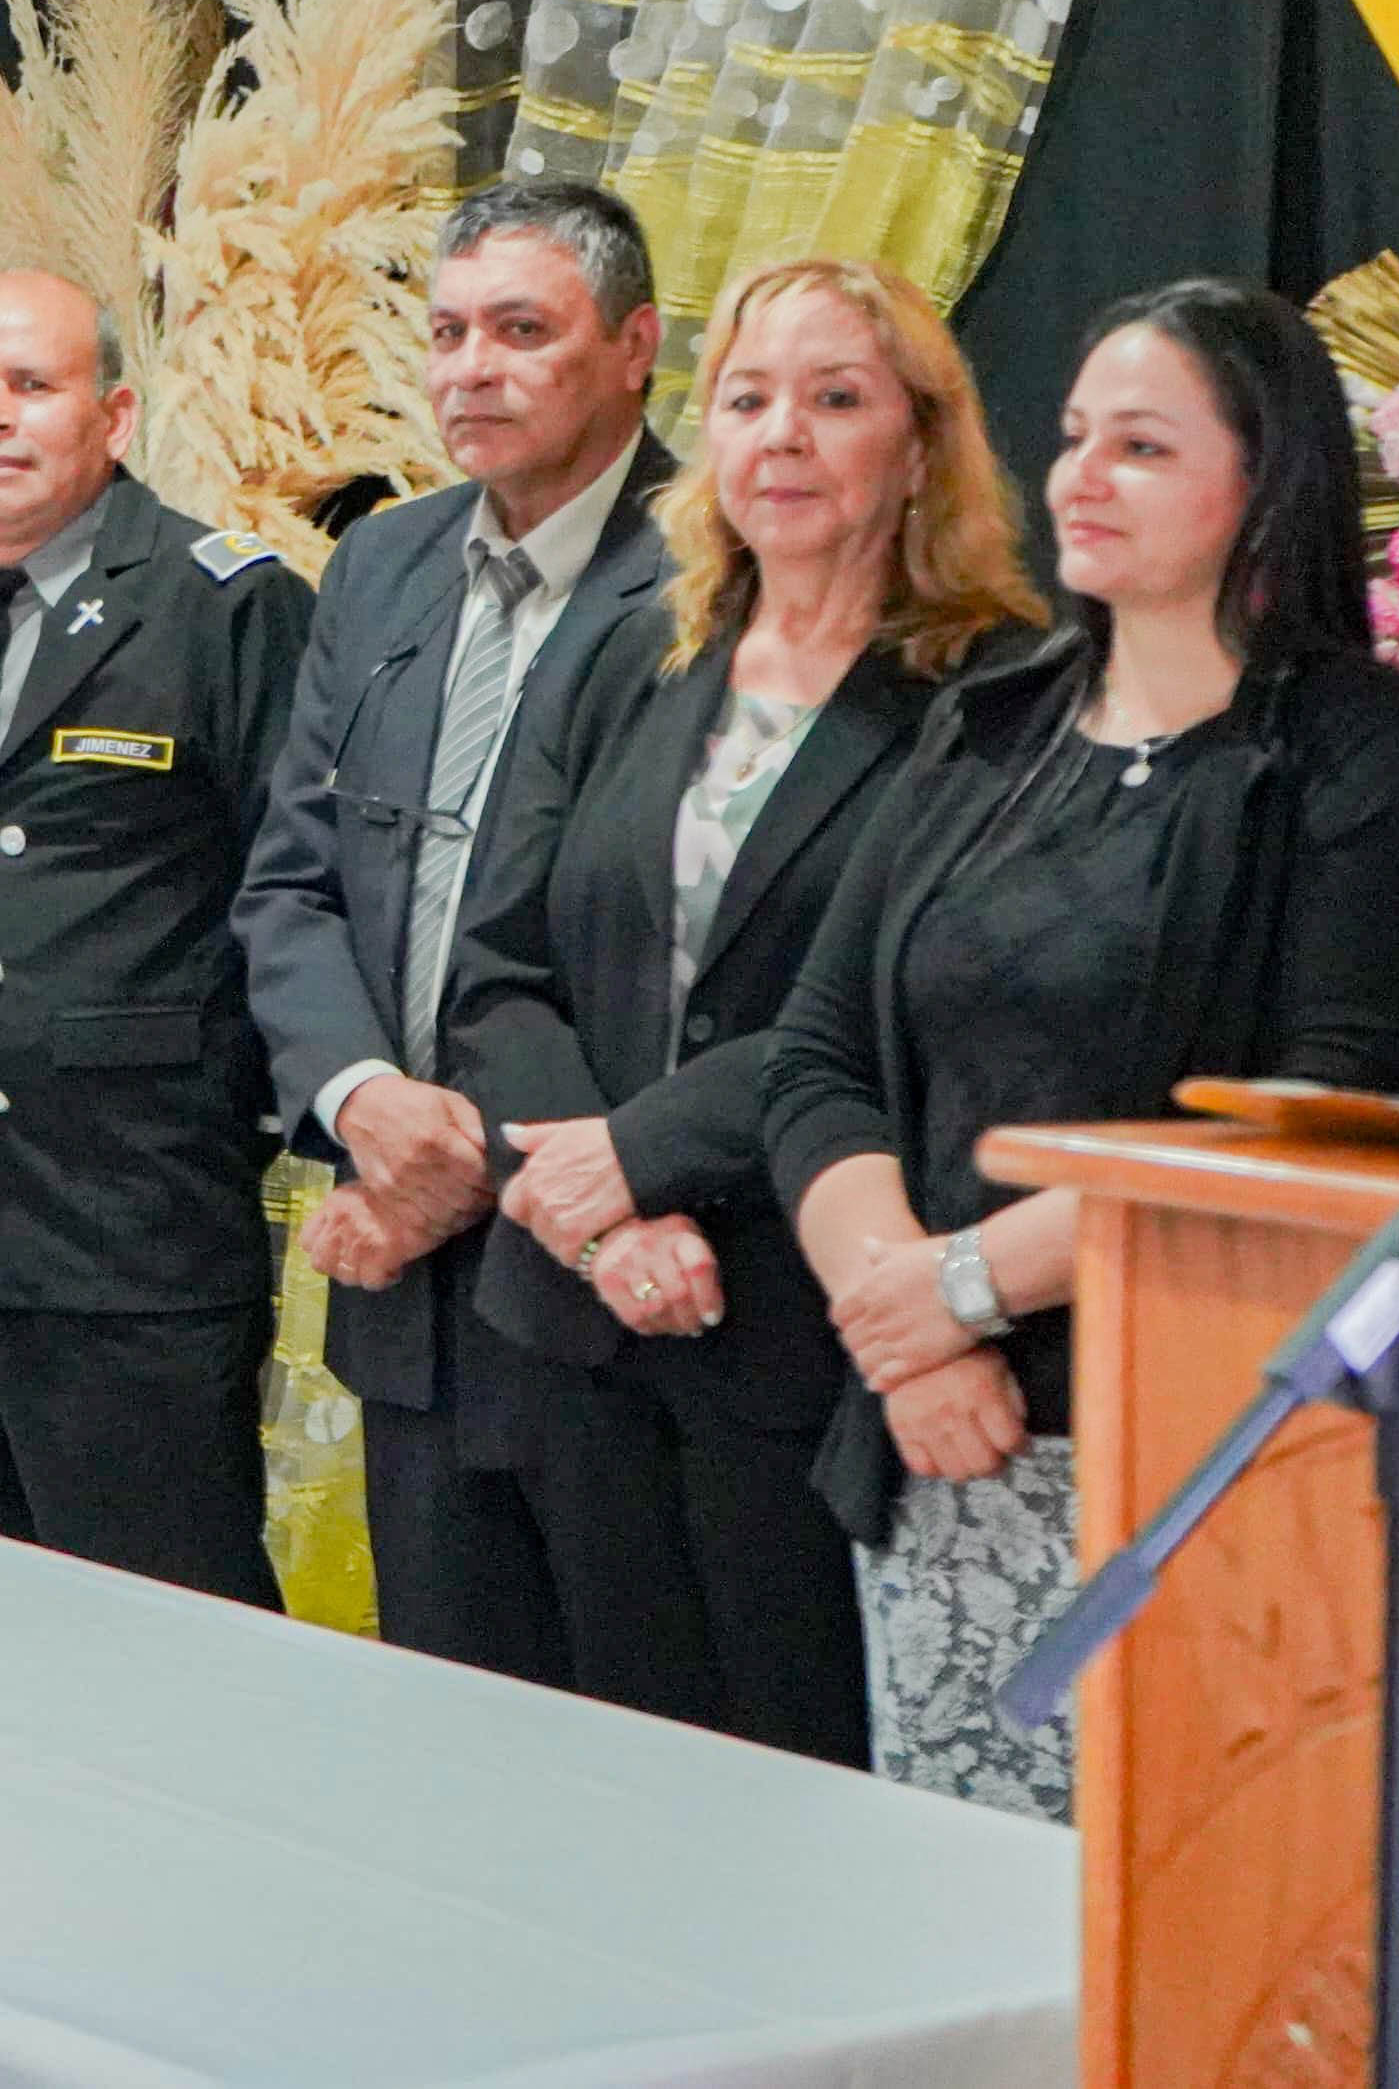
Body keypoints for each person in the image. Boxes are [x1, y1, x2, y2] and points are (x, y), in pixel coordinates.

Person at [760, 277, 1399, 1819]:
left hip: (1209, 1476)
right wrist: (898, 1323)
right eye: (1074, 436)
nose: (1079, 478)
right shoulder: (990, 724)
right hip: (937, 1458)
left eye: (1143, 447)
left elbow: (1328, 1148)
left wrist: (959, 1292)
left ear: (1267, 484)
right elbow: (821, 1059)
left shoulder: (1370, 767)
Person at [447, 260, 1042, 1764]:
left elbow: (921, 1009)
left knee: (797, 1787)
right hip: (580, 1315)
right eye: (748, 399)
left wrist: (648, 1154)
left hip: (801, 1331)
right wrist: (599, 1211)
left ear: (922, 441)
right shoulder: (632, 649)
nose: (781, 435)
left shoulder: (1001, 695)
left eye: (835, 400)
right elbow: (497, 963)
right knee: (606, 1785)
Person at [234, 178, 671, 1683]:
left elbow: (667, 959)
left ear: (635, 347)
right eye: (447, 332)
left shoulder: (718, 573)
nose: (470, 367)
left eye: (523, 330)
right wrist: (362, 1099)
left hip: (611, 1264)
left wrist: (472, 1162)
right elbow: (291, 881)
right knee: (450, 1728)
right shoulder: (382, 562)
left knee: (640, 1745)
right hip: (403, 1271)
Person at [0, 269, 313, 1597]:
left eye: (31, 386)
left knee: (162, 1637)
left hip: (118, 1216)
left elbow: (307, 892)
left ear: (113, 414)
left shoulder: (222, 602)